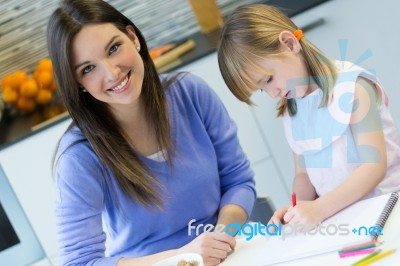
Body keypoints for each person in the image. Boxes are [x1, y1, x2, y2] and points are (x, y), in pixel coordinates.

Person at [47, 0, 256, 265]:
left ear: (132, 37)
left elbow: (238, 180)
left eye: (113, 48)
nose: (112, 73)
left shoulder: (191, 93)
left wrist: (219, 239)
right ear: (77, 82)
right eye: (88, 68)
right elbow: (79, 262)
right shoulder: (79, 157)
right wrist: (185, 256)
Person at [218, 3, 400, 230]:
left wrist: (319, 208)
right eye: (261, 89)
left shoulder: (354, 88)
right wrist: (298, 208)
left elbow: (373, 167)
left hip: (387, 213)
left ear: (289, 43)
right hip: (342, 220)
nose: (272, 92)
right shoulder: (292, 109)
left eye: (268, 79)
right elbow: (303, 175)